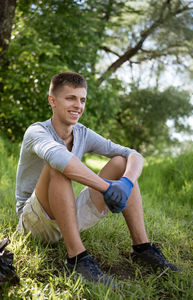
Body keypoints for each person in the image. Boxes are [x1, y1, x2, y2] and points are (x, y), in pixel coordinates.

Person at [15, 72, 180, 286]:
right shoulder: (36, 131)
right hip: (34, 220)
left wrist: (126, 183)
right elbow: (58, 158)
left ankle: (142, 249)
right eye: (70, 98)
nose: (78, 105)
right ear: (52, 101)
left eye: (82, 99)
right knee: (59, 166)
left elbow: (134, 155)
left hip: (66, 215)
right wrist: (106, 188)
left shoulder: (82, 133)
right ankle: (77, 259)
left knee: (121, 162)